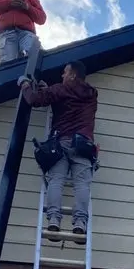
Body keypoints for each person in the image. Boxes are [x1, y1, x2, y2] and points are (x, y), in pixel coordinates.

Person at [18, 61, 98, 243]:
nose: (62, 76)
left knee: (56, 181)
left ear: (72, 75)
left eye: (64, 73)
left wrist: (25, 84)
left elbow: (34, 100)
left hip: (62, 142)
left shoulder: (61, 89)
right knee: (82, 185)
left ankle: (54, 219)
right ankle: (80, 223)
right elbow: (67, 105)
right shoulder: (92, 94)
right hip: (83, 145)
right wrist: (49, 90)